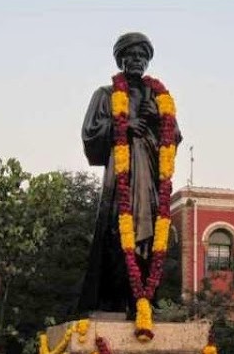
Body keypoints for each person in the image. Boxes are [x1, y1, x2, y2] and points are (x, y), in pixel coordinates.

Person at [77, 32, 182, 317]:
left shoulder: (159, 98)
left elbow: (175, 138)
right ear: (121, 59)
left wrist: (157, 121)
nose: (137, 60)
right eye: (131, 55)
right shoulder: (106, 95)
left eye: (142, 56)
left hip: (150, 175)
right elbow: (90, 133)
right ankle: (114, 302)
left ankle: (147, 299)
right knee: (118, 233)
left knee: (152, 236)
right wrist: (123, 125)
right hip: (121, 178)